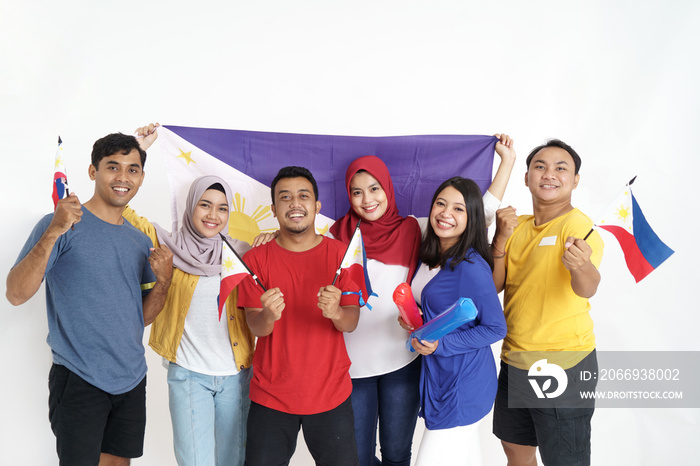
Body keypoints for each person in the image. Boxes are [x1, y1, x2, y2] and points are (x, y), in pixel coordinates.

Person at [329, 134, 515, 466]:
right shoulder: (337, 235)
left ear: (388, 188)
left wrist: (507, 163)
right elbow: (297, 230)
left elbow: (478, 212)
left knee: (400, 454)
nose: (367, 199)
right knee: (357, 456)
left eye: (375, 189)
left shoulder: (412, 230)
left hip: (409, 364)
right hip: (357, 362)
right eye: (357, 191)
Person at [6, 132, 173, 466]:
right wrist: (55, 230)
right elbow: (15, 293)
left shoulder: (140, 242)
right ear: (93, 172)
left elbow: (139, 318)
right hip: (80, 376)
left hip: (130, 377)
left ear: (141, 177)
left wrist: (164, 281)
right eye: (113, 167)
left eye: (133, 169)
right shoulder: (61, 224)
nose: (123, 177)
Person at [131, 123, 254, 466]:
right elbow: (123, 211)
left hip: (236, 375)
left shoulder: (242, 253)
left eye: (222, 208)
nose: (213, 215)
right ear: (191, 207)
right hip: (187, 374)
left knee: (233, 460)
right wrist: (138, 149)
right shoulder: (167, 244)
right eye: (204, 205)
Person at [237, 166, 362, 466]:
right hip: (271, 396)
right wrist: (267, 315)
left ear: (317, 206)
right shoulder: (255, 259)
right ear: (274, 209)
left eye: (303, 196)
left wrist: (335, 312)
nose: (295, 203)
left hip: (331, 394)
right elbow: (255, 326)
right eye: (285, 197)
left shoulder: (343, 255)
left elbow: (352, 321)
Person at [491, 139, 604, 466]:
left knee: (565, 459)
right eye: (540, 166)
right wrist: (499, 238)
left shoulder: (579, 227)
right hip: (514, 360)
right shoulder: (517, 227)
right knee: (516, 450)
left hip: (563, 364)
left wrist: (581, 266)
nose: (549, 174)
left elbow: (588, 288)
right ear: (526, 178)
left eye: (561, 168)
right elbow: (495, 285)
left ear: (575, 180)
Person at [407, 177, 507, 465]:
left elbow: (496, 327)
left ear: (472, 217)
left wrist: (440, 343)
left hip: (465, 382)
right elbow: (438, 307)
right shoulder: (430, 256)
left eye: (458, 209)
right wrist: (415, 320)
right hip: (440, 377)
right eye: (440, 203)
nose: (445, 213)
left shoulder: (471, 265)